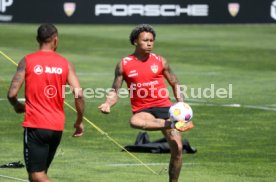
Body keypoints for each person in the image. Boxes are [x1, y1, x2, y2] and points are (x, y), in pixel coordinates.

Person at [98, 24, 193, 182]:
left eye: (152, 40)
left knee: (178, 148)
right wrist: (108, 103)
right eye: (145, 40)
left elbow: (175, 83)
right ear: (135, 41)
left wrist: (181, 104)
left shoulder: (160, 61)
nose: (149, 43)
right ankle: (171, 124)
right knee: (134, 121)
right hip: (144, 110)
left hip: (164, 107)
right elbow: (115, 90)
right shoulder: (124, 64)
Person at [7, 24, 85, 182]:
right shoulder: (65, 63)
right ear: (55, 40)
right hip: (56, 127)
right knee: (38, 175)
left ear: (37, 39)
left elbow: (12, 93)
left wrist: (17, 106)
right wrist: (79, 121)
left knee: (37, 175)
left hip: (36, 126)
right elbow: (79, 94)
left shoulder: (27, 60)